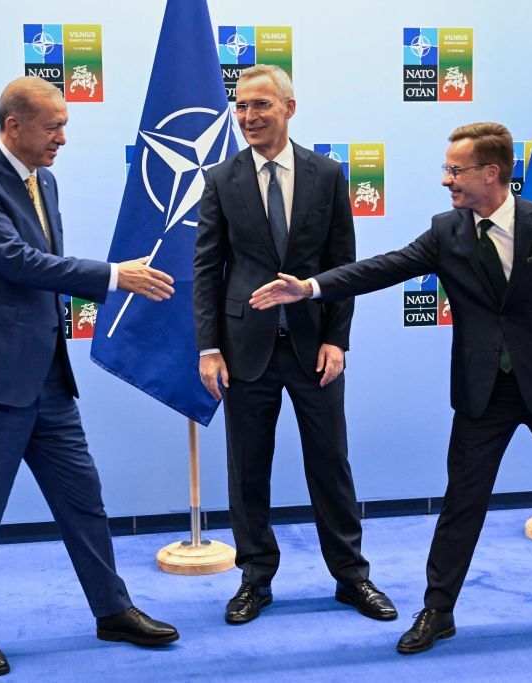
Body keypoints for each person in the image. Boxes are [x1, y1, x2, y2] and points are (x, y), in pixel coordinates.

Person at [250, 121, 532, 653]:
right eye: (447, 170)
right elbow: (382, 268)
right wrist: (312, 287)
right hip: (483, 392)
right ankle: (438, 611)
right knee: (462, 504)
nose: (447, 180)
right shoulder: (446, 231)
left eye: (455, 170)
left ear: (492, 172)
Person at [0, 76, 179, 676]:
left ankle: (112, 610)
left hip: (46, 378)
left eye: (64, 125)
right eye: (53, 127)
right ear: (14, 126)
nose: (63, 138)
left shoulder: (45, 180)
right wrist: (114, 277)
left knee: (84, 502)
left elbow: (43, 272)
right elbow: (17, 263)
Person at [193, 64, 396, 624]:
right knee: (247, 468)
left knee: (330, 463)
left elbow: (343, 267)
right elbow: (207, 269)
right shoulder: (219, 179)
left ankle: (352, 577)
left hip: (313, 349)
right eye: (241, 107)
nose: (249, 117)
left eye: (261, 105)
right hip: (244, 350)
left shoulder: (328, 175)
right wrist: (208, 347)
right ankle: (255, 579)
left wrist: (337, 339)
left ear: (289, 107)